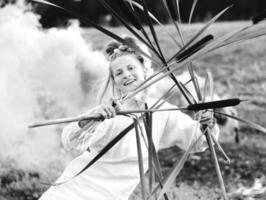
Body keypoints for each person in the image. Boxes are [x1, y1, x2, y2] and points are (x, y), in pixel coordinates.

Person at [39, 36, 219, 200]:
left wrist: (207, 125)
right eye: (118, 73)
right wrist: (92, 120)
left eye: (131, 68)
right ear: (115, 82)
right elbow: (70, 141)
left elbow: (197, 142)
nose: (125, 74)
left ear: (144, 69)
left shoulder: (161, 111)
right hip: (73, 191)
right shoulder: (109, 111)